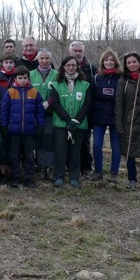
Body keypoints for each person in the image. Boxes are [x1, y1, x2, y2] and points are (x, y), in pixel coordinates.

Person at [50, 56, 92, 188]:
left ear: (77, 67)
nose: (71, 67)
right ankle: (59, 176)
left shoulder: (85, 84)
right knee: (60, 151)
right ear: (63, 67)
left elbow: (87, 104)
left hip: (79, 124)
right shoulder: (56, 84)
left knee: (75, 151)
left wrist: (76, 120)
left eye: (73, 65)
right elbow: (55, 104)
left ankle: (74, 176)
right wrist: (68, 120)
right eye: (68, 65)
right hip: (61, 124)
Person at [115, 52, 140, 191]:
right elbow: (119, 104)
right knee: (130, 153)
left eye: (134, 62)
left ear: (139, 62)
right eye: (129, 63)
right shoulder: (123, 81)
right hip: (129, 122)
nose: (132, 64)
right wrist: (119, 124)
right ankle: (132, 180)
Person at [1, 66, 45, 188]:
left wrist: (40, 126)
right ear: (15, 79)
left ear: (28, 79)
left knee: (29, 156)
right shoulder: (10, 92)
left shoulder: (34, 92)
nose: (22, 80)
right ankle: (14, 177)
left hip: (29, 131)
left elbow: (40, 111)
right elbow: (4, 111)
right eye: (20, 78)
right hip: (14, 131)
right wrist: (4, 126)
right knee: (14, 155)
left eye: (25, 78)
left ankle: (28, 178)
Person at [89, 49, 122, 183]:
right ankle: (98, 171)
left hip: (116, 117)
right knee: (97, 145)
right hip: (99, 117)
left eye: (111, 60)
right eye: (106, 60)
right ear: (102, 62)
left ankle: (114, 173)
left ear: (115, 62)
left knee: (116, 147)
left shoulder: (121, 78)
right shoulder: (96, 78)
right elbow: (91, 98)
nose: (109, 62)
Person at [29, 48, 59, 180]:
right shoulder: (30, 74)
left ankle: (51, 167)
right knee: (39, 140)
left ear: (50, 59)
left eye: (47, 58)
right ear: (38, 59)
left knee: (49, 139)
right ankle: (42, 167)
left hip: (50, 113)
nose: (44, 61)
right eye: (42, 58)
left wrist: (49, 103)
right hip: (35, 113)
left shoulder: (57, 75)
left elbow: (59, 92)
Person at [69, 41, 97, 177]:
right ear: (70, 52)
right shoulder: (65, 67)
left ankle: (86, 167)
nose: (77, 53)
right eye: (75, 51)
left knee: (85, 140)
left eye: (80, 51)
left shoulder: (91, 68)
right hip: (68, 110)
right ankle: (70, 165)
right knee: (69, 140)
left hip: (86, 111)